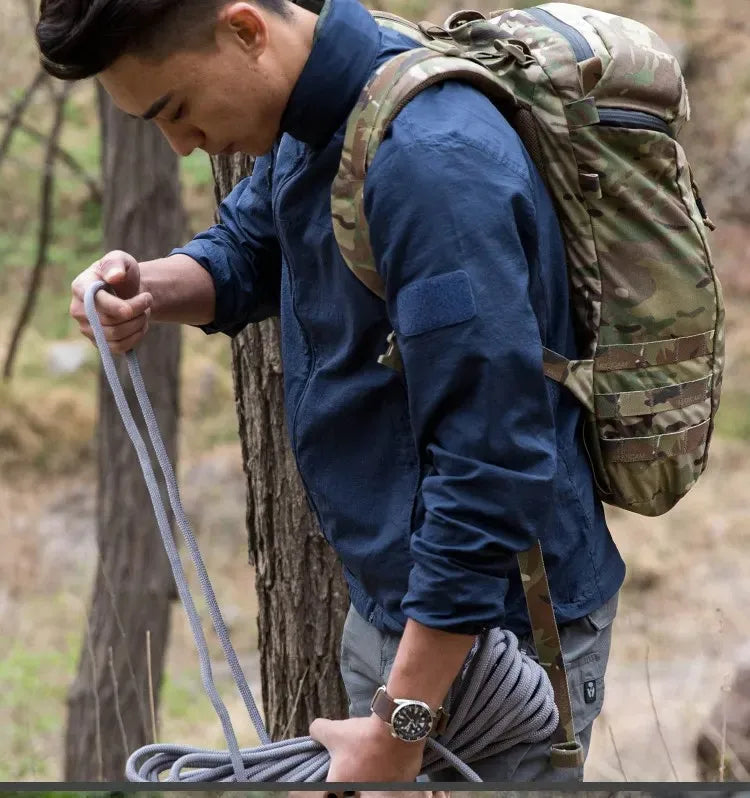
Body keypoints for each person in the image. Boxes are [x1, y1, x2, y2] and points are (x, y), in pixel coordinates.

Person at [40, 0, 625, 782]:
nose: (180, 145)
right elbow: (255, 245)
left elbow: (492, 464)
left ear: (244, 30)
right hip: (402, 615)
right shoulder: (321, 110)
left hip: (502, 637)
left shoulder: (431, 165)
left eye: (175, 109)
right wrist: (147, 288)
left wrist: (400, 723)